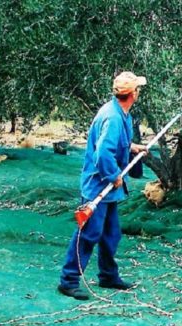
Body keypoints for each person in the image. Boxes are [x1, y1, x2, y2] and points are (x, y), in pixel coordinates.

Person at [57, 71, 148, 300]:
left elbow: (116, 143)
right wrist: (114, 175)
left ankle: (108, 276)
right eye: (138, 88)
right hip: (98, 187)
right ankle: (68, 281)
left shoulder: (121, 113)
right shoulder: (113, 118)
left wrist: (132, 147)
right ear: (132, 93)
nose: (139, 92)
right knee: (88, 234)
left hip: (108, 190)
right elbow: (103, 154)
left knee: (111, 234)